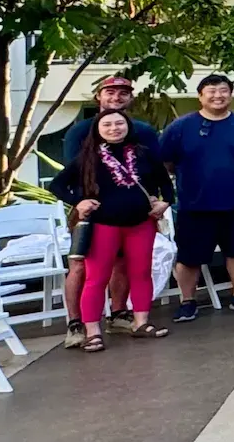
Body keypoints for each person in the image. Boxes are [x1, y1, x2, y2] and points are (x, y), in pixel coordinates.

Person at [50, 111, 173, 349]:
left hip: (141, 224)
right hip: (103, 225)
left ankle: (140, 322)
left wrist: (164, 202)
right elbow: (58, 185)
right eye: (107, 124)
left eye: (119, 123)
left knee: (140, 273)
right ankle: (92, 331)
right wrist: (79, 201)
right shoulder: (87, 157)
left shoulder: (144, 154)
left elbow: (166, 184)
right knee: (96, 278)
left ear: (128, 126)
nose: (114, 128)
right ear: (98, 128)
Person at [159, 74, 234, 321]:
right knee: (189, 256)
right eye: (211, 91)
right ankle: (188, 301)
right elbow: (165, 160)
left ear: (230, 95)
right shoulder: (180, 127)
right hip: (195, 203)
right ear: (200, 95)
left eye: (223, 91)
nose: (218, 95)